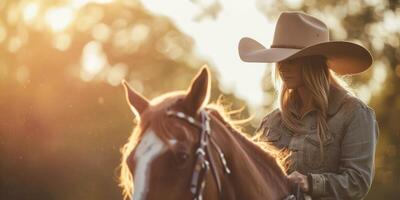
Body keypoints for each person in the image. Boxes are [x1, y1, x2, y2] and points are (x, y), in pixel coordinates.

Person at [238, 11, 379, 199]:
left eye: (291, 60)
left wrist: (310, 183)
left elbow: (357, 182)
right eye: (279, 60)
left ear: (313, 63)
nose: (282, 67)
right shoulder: (271, 121)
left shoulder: (354, 114)